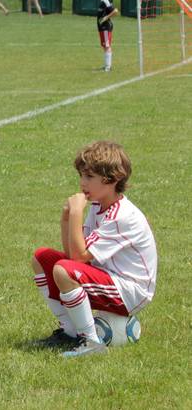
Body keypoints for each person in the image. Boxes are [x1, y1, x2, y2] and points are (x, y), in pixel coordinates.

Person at [31, 141, 157, 358]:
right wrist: (66, 220)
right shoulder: (99, 206)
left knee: (63, 270)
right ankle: (70, 332)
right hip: (110, 278)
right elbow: (74, 256)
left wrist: (76, 214)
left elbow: (78, 259)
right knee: (42, 258)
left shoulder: (122, 215)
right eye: (81, 175)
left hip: (131, 291)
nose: (82, 183)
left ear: (112, 179)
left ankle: (91, 342)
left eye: (89, 177)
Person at [95, 0, 119, 72]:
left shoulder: (105, 1)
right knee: (105, 45)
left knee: (107, 46)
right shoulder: (102, 1)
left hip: (106, 27)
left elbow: (115, 11)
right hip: (102, 27)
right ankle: (106, 65)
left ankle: (108, 67)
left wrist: (106, 17)